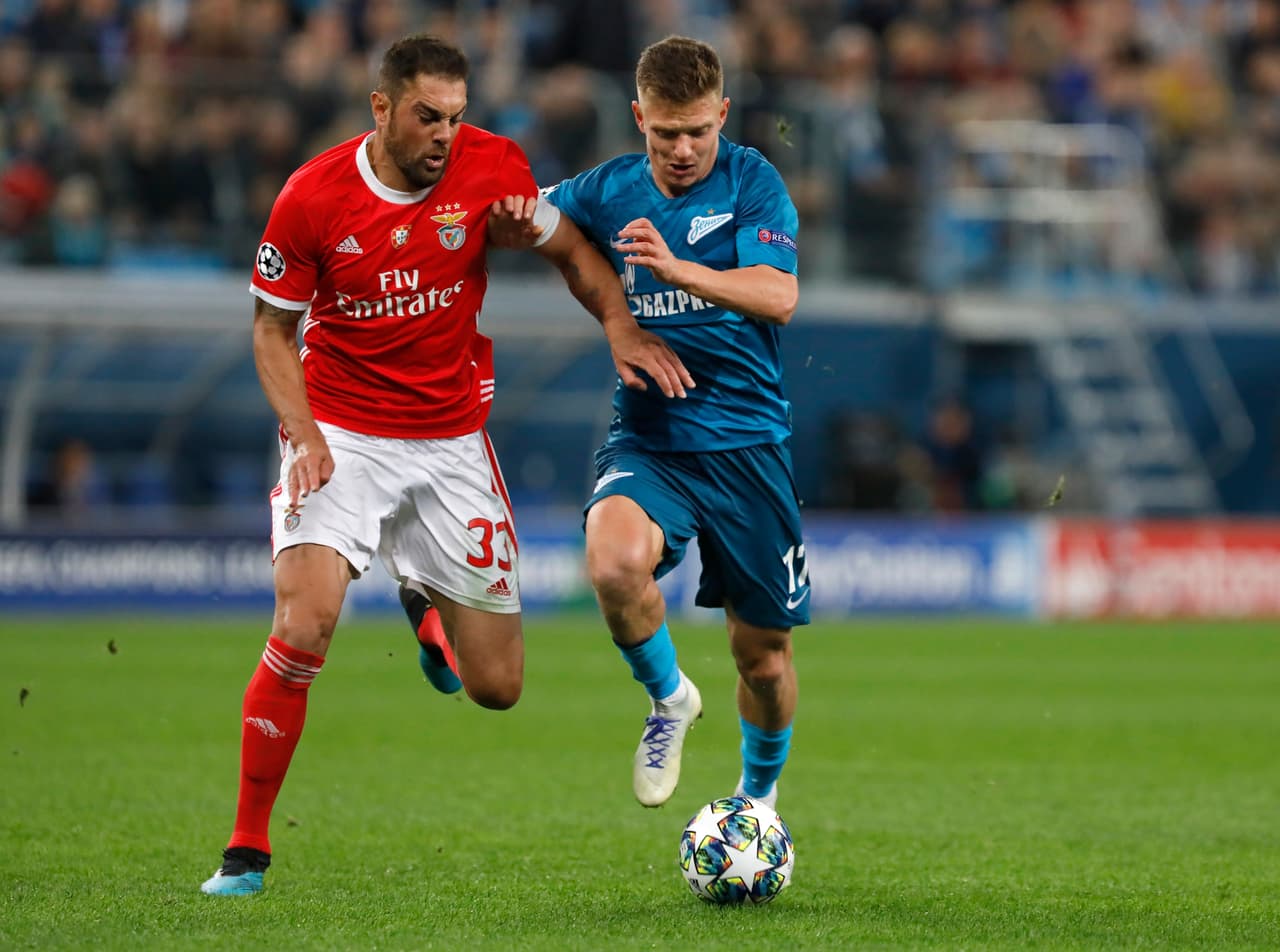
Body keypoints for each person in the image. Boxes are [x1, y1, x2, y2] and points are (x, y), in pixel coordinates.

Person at [200, 33, 690, 897]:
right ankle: (246, 849)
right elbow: (273, 330)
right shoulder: (311, 198)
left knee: (497, 689)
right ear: (381, 108)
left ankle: (423, 604)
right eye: (428, 116)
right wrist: (305, 435)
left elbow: (573, 249)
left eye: (457, 118)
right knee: (304, 623)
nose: (444, 136)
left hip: (450, 439)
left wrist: (616, 322)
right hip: (340, 431)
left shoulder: (490, 168)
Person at [504, 34, 809, 810]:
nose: (681, 149)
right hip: (653, 436)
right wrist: (617, 320)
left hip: (747, 445)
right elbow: (541, 226)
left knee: (763, 659)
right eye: (665, 132)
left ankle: (758, 802)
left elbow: (780, 296)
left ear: (724, 116)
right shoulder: (606, 191)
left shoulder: (753, 180)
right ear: (639, 117)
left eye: (698, 131)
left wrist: (680, 272)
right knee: (610, 563)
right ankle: (669, 697)